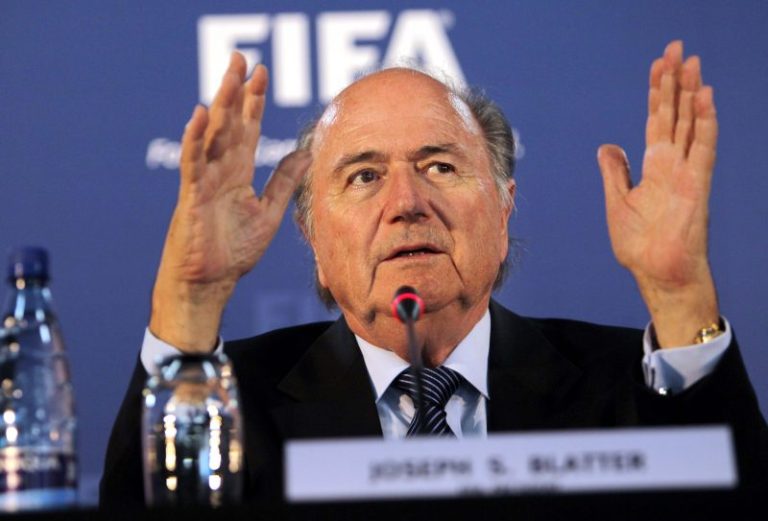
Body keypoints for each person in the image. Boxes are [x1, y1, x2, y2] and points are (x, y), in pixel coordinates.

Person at [101, 41, 767, 506]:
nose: (407, 203)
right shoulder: (234, 405)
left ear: (503, 210)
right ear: (313, 239)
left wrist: (681, 297)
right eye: (364, 176)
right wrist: (191, 297)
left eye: (440, 167)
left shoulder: (625, 387)